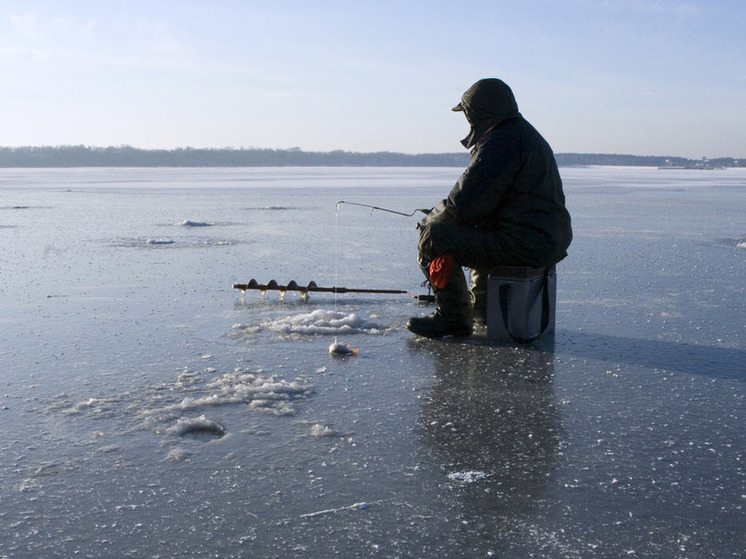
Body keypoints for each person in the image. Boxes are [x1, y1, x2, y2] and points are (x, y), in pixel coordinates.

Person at [406, 78, 572, 338]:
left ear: (479, 112)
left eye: (468, 114)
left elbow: (464, 204)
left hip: (525, 243)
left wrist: (433, 220)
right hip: (541, 240)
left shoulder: (501, 141)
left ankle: (453, 319)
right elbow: (486, 203)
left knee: (433, 238)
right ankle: (482, 311)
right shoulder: (521, 134)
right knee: (470, 231)